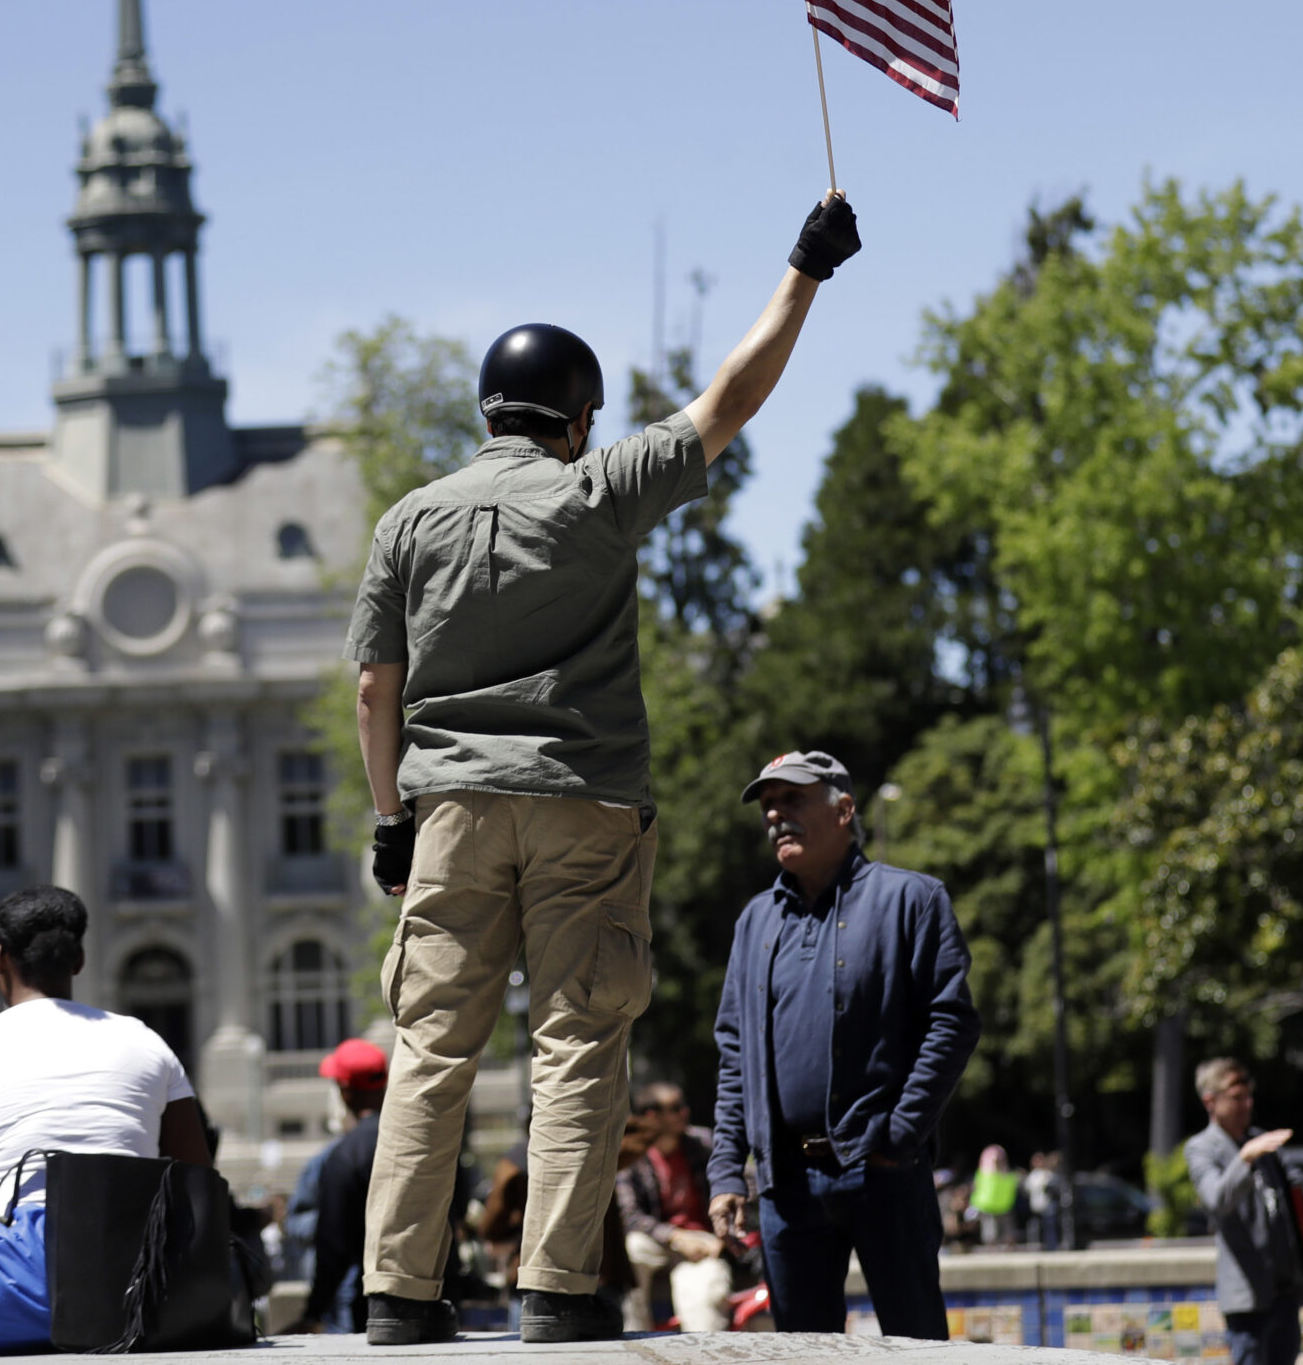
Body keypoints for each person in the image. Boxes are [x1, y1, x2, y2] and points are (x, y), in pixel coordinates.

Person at [346, 193, 863, 1346]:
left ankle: (395, 1296)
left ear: (487, 411)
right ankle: (553, 1291)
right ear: (579, 420)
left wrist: (392, 821)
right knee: (576, 1043)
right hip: (583, 805)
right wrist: (806, 269)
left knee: (429, 1050)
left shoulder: (408, 522)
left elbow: (376, 689)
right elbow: (728, 403)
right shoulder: (596, 490)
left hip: (449, 812)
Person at [706, 749, 979, 1341]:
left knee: (916, 1351)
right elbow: (735, 1056)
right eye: (768, 805)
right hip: (785, 1185)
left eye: (792, 799)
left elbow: (951, 1023)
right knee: (801, 1354)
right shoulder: (755, 922)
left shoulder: (911, 899)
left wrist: (899, 1137)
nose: (775, 815)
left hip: (882, 1174)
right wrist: (727, 1171)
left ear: (844, 810)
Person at [0, 886, 206, 1352]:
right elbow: (197, 1177)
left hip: (1, 1293)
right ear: (79, 961)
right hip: (134, 1289)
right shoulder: (146, 1041)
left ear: (0, 958)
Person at [1185, 1057, 1303, 1365]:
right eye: (1237, 1097)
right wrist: (1245, 1158)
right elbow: (1216, 1198)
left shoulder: (1262, 1143)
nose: (1247, 1104)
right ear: (1210, 1101)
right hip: (1248, 1301)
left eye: (1249, 1096)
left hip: (1286, 1296)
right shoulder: (1202, 1148)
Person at [616, 1083, 731, 1332]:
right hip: (656, 1239)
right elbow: (629, 1216)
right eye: (676, 1108)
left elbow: (739, 1182)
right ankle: (633, 1339)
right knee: (632, 1248)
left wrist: (725, 1232)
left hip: (701, 1240)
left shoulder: (702, 1143)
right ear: (652, 1116)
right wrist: (676, 1237)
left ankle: (703, 1350)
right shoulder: (632, 1152)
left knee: (706, 1290)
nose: (684, 1112)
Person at [297, 1039, 394, 1335]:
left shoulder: (345, 1156)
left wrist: (313, 1311)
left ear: (345, 1091)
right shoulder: (422, 1141)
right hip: (439, 1298)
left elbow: (332, 1247)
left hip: (375, 1311)